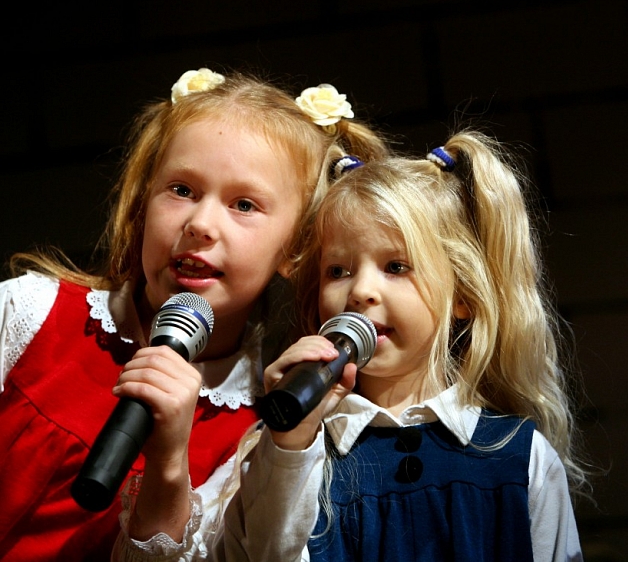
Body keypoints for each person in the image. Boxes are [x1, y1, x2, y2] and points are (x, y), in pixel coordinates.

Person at [0, 67, 388, 561]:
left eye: (243, 204)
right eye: (181, 190)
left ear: (295, 250)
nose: (201, 224)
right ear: (143, 204)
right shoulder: (29, 313)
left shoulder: (256, 435)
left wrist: (167, 464)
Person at [211, 131, 589, 561]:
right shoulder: (292, 449)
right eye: (338, 270)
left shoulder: (519, 458)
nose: (362, 291)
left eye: (396, 266)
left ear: (462, 296)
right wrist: (290, 445)